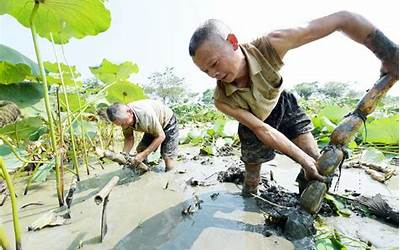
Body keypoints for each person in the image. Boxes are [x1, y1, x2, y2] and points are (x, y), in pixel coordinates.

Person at [188, 11, 398, 196]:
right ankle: (250, 199)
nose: (214, 74)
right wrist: (301, 160)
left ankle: (305, 200)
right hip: (254, 125)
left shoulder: (270, 46)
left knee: (315, 159)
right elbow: (261, 129)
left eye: (215, 63)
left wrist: (388, 53)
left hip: (283, 105)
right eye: (206, 71)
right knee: (251, 180)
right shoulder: (221, 99)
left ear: (232, 42)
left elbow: (343, 19)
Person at [106, 99, 179, 171]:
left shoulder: (145, 113)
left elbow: (161, 136)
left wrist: (144, 155)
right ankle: (145, 171)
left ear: (130, 112)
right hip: (152, 126)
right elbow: (129, 138)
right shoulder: (123, 119)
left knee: (167, 156)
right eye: (121, 124)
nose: (125, 126)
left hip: (168, 122)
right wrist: (124, 154)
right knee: (141, 149)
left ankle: (170, 174)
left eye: (125, 122)